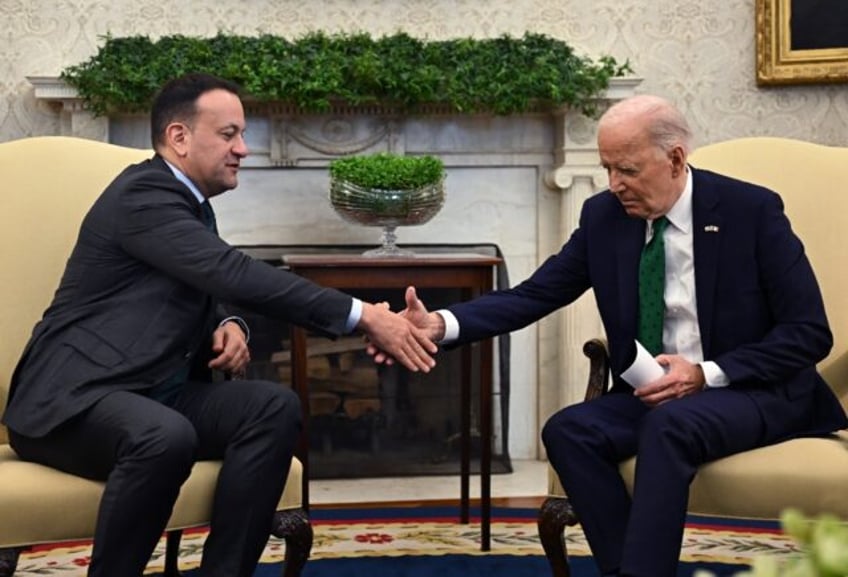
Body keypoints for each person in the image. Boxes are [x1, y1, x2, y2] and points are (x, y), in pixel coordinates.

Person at [389, 94, 848, 577]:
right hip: (656, 391)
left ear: (674, 159)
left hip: (752, 389)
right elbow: (534, 294)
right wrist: (442, 325)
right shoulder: (604, 217)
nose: (615, 185)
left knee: (669, 427)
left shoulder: (749, 211)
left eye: (627, 170)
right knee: (569, 430)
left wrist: (704, 374)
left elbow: (808, 333)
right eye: (607, 168)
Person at [2, 73, 436, 577]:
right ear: (180, 138)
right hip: (71, 402)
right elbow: (230, 271)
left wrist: (230, 322)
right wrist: (365, 316)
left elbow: (199, 282)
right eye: (228, 134)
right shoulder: (143, 195)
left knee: (272, 407)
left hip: (147, 390)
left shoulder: (189, 206)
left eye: (242, 135)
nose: (244, 149)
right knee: (164, 436)